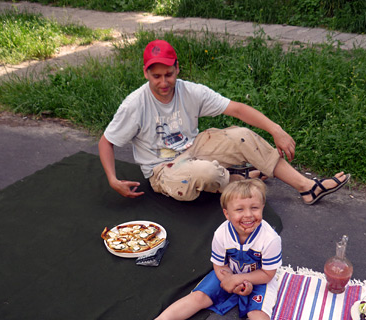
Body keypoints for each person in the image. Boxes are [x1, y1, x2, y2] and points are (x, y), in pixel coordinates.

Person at [99, 39, 350, 203]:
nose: (163, 82)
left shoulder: (190, 91)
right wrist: (112, 180)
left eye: (168, 74)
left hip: (194, 148)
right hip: (162, 169)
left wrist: (277, 129)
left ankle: (307, 187)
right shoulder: (134, 104)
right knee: (205, 173)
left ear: (178, 69)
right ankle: (240, 179)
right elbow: (106, 141)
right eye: (156, 76)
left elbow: (238, 109)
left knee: (241, 134)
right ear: (145, 73)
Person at [138, 179, 281, 320]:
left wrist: (240, 281)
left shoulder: (270, 239)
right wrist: (228, 280)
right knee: (198, 297)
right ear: (226, 213)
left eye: (254, 207)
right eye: (239, 209)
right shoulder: (221, 233)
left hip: (260, 278)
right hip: (228, 272)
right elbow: (219, 264)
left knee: (257, 315)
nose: (248, 215)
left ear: (262, 208)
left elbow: (267, 273)